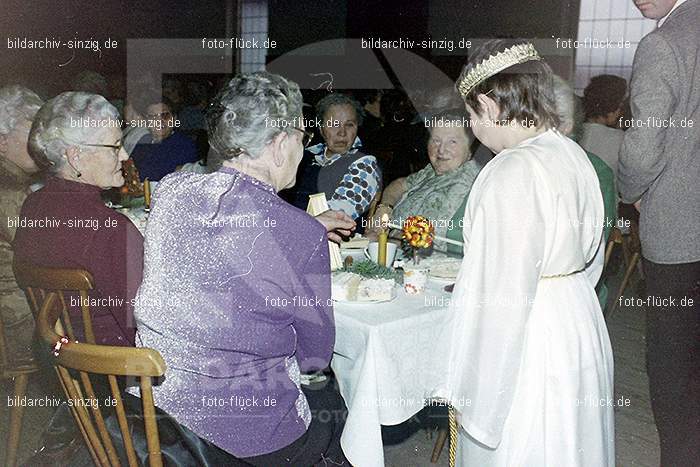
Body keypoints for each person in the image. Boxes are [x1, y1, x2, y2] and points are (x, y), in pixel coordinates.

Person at [132, 72, 353, 465]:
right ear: (280, 144)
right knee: (337, 412)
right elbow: (315, 358)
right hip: (248, 437)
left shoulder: (171, 191)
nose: (305, 148)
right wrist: (305, 237)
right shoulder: (298, 232)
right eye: (303, 136)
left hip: (158, 419)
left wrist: (303, 233)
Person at [433, 40, 614, 465]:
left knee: (525, 442)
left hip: (531, 341)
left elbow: (503, 301)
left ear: (489, 107)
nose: (474, 131)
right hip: (575, 319)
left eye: (471, 118)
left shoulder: (511, 170)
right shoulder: (572, 154)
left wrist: (476, 389)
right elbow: (592, 258)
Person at [619, 0, 700, 464]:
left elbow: (642, 147)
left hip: (680, 232)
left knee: (673, 369)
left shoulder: (663, 44)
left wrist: (632, 191)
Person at [13, 92, 142, 346]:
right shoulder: (111, 230)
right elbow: (145, 323)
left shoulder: (32, 206)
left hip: (70, 369)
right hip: (119, 367)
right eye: (115, 146)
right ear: (75, 156)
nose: (125, 156)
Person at [368, 109, 481, 252]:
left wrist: (388, 242)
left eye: (452, 141)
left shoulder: (470, 181)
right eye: (436, 140)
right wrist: (385, 208)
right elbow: (399, 184)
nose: (441, 150)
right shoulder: (431, 171)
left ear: (470, 148)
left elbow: (434, 237)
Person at [552, 75, 617, 308]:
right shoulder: (522, 163)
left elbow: (588, 255)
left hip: (572, 293)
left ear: (567, 126)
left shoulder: (597, 173)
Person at [291, 93, 381, 226]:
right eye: (334, 124)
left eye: (349, 125)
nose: (342, 133)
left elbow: (337, 216)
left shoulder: (365, 164)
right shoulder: (305, 155)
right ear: (321, 129)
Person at [0, 85, 43, 362]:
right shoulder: (9, 190)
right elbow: (42, 251)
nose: (40, 144)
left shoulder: (17, 182)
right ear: (2, 141)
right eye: (31, 136)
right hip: (18, 323)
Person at [129, 96, 199, 181]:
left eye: (165, 115)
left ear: (174, 118)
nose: (159, 121)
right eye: (153, 117)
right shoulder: (142, 143)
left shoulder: (185, 145)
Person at [579, 74, 627, 176]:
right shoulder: (620, 139)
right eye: (620, 106)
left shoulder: (574, 132)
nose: (620, 112)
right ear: (611, 108)